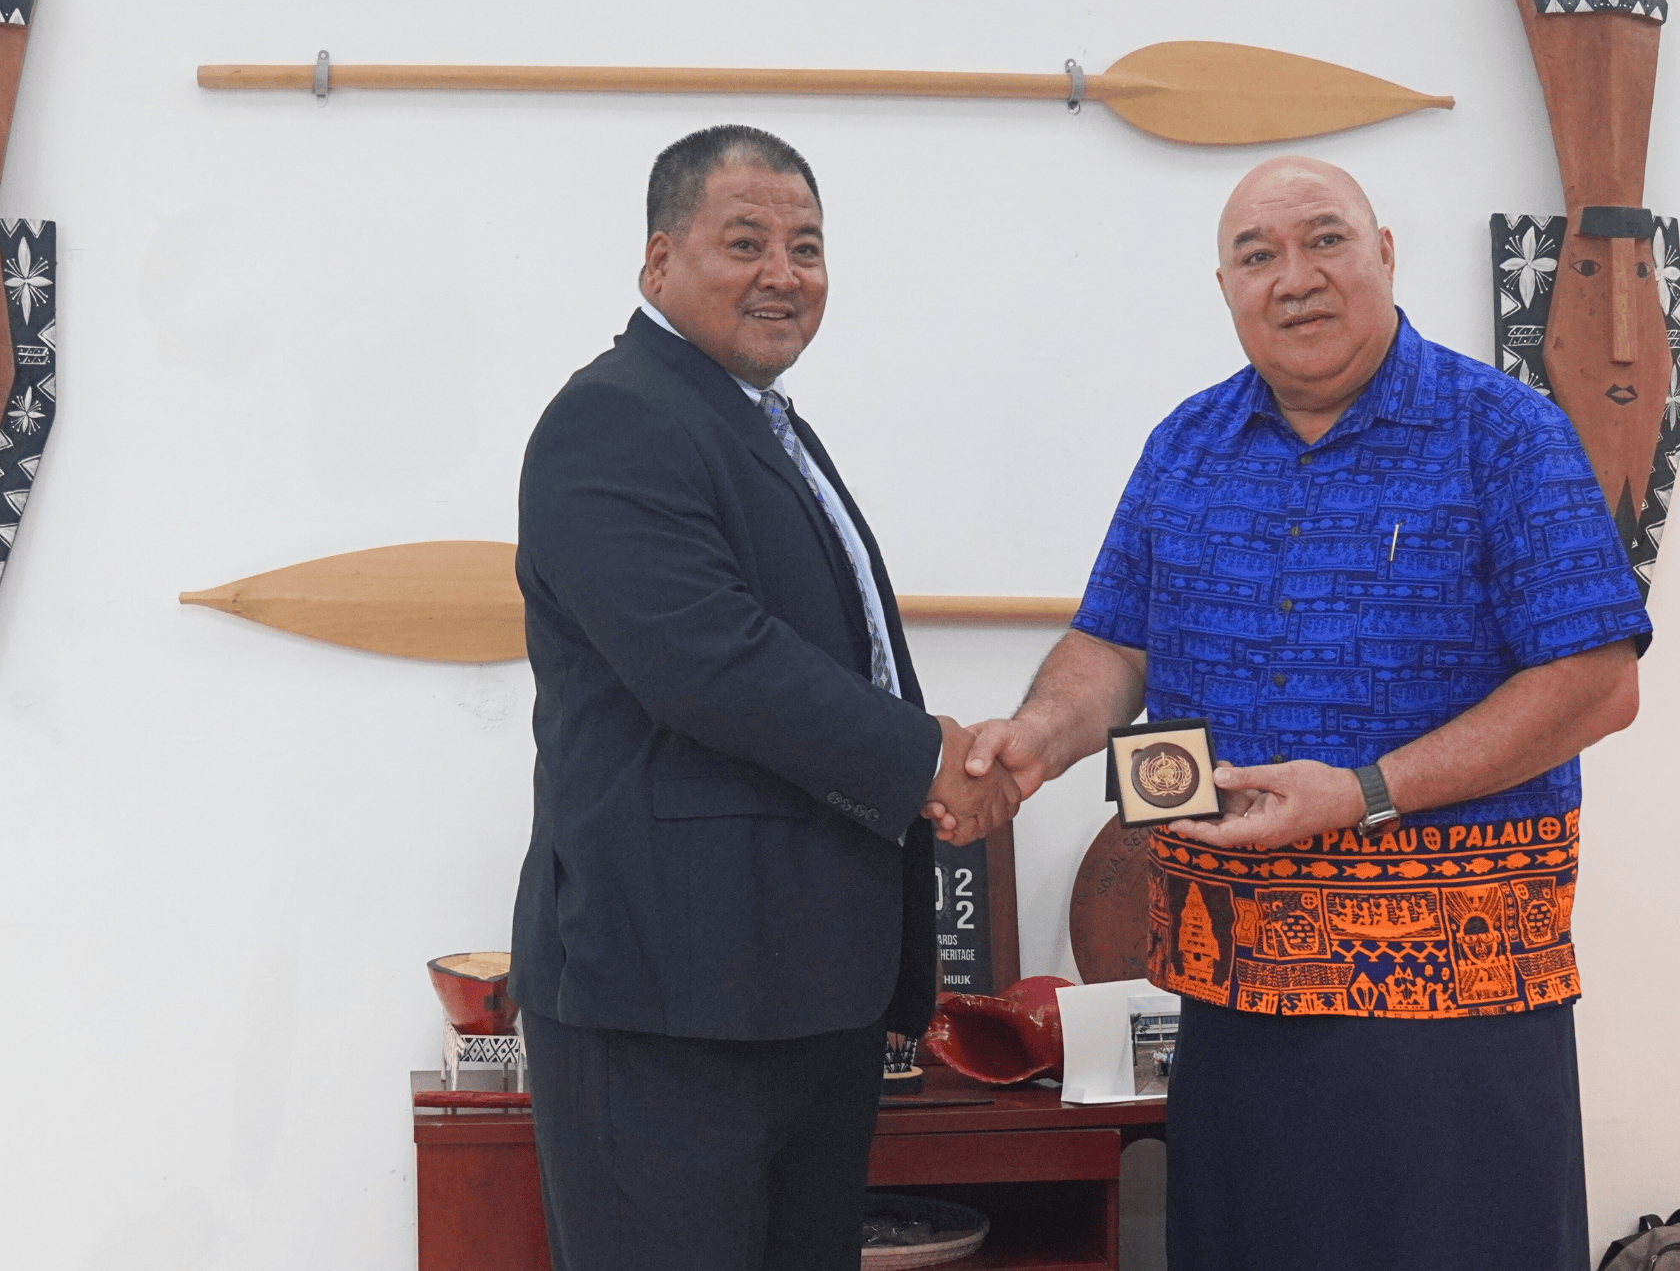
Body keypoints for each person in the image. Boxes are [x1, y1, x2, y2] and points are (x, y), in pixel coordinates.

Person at [947, 155, 1651, 1271]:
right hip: (1236, 999)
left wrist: (1366, 794)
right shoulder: (1187, 444)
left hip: (1455, 1008)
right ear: (1224, 289)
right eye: (1256, 255)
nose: (1295, 277)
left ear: (1383, 253)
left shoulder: (1504, 432)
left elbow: (1600, 682)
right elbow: (1113, 643)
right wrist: (1040, 732)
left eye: (1325, 239)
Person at [510, 125, 1022, 1271]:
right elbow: (712, 661)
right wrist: (926, 761)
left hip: (798, 994)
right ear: (657, 263)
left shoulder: (759, 424)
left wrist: (937, 754)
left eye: (807, 246)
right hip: (669, 1000)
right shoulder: (616, 418)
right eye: (745, 242)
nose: (783, 274)